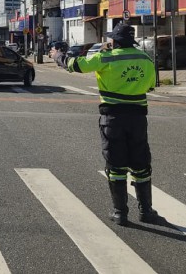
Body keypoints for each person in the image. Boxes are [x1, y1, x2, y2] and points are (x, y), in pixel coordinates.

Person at [51, 22, 159, 226]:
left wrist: (57, 56)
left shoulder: (105, 58)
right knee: (141, 164)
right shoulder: (144, 58)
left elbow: (75, 65)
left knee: (116, 164)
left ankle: (120, 213)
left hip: (113, 118)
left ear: (115, 41)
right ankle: (146, 211)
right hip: (138, 119)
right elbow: (150, 85)